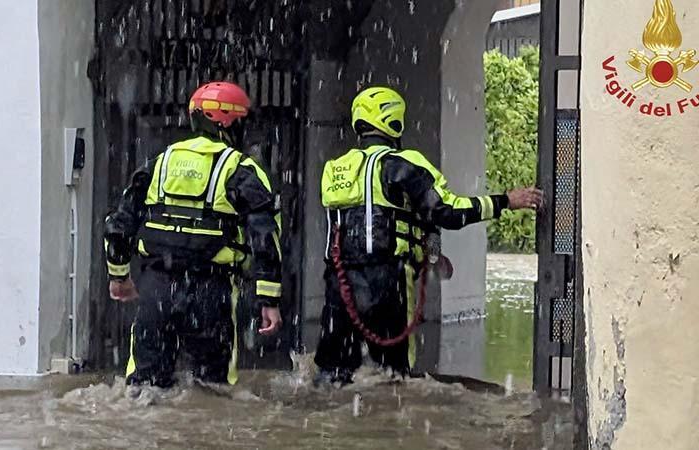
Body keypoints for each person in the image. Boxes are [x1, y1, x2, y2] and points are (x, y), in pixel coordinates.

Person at [314, 86, 542, 385]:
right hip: (388, 283)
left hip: (339, 284)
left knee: (332, 375)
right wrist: (505, 201)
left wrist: (433, 255)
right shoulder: (403, 164)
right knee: (394, 378)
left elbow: (409, 220)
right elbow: (444, 212)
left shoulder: (335, 169)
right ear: (395, 120)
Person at [104, 81, 283, 388]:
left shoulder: (160, 163)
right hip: (211, 292)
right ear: (229, 122)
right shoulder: (240, 169)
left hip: (157, 288)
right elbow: (265, 237)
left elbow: (119, 224)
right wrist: (269, 299)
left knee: (143, 388)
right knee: (212, 389)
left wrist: (119, 277)